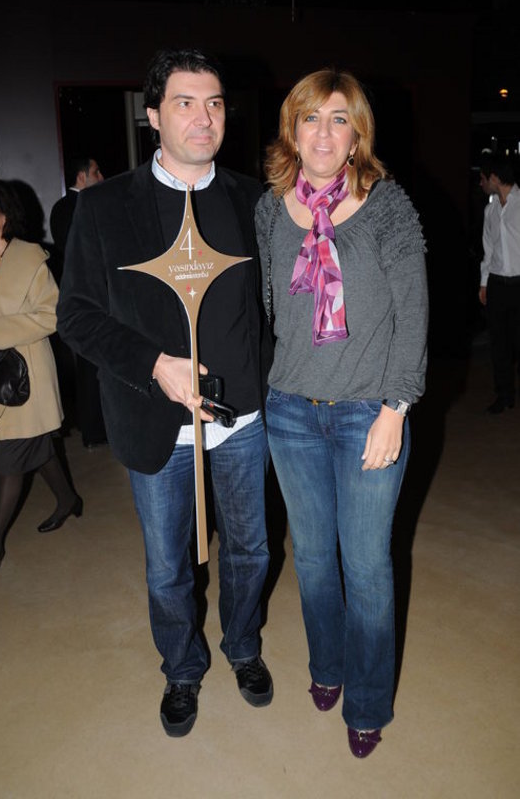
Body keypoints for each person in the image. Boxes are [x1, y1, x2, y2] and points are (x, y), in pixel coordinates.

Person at [57, 49, 273, 738]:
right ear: (152, 115)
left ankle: (243, 646)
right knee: (167, 568)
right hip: (156, 422)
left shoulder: (253, 199)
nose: (203, 117)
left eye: (214, 103)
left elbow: (273, 307)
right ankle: (182, 668)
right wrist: (155, 364)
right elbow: (77, 317)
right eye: (184, 102)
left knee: (250, 551)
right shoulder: (103, 207)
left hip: (243, 421)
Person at [256, 68, 428, 758]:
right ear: (292, 130)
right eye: (310, 118)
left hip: (367, 414)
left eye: (339, 120)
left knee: (367, 567)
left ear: (358, 135)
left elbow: (414, 315)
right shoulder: (270, 210)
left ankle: (368, 701)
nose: (323, 134)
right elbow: (268, 308)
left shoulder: (387, 207)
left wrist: (396, 407)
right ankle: (325, 665)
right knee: (313, 561)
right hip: (290, 412)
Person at [0, 180, 82, 580]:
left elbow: (51, 315)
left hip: (24, 372)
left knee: (10, 454)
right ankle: (67, 499)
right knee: (37, 446)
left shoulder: (30, 257)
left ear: (4, 214)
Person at [50, 157, 107, 447]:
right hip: (89, 297)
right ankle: (94, 430)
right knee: (92, 363)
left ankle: (91, 428)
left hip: (80, 295)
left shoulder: (63, 208)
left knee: (90, 363)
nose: (101, 176)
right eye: (96, 171)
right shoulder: (79, 206)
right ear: (82, 176)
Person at [478, 155, 520, 414]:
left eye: (483, 178)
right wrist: (484, 283)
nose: (481, 183)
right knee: (499, 343)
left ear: (494, 177)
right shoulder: (490, 211)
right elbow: (489, 249)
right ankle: (504, 395)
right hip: (497, 284)